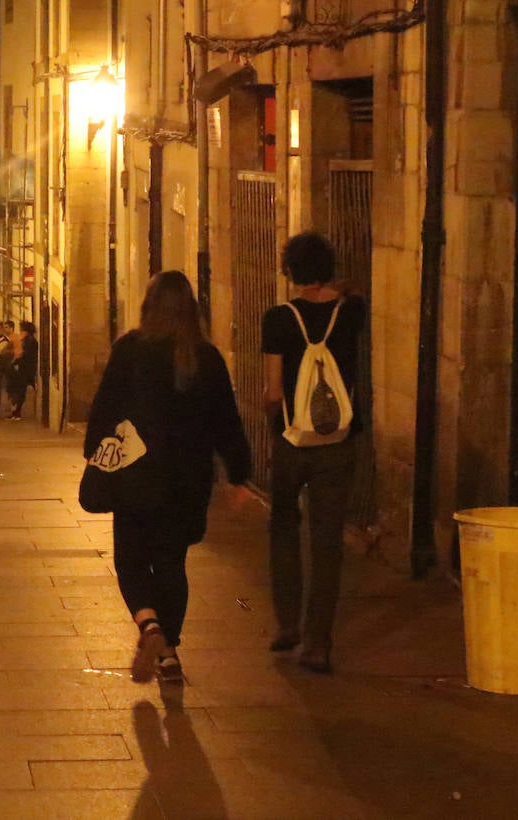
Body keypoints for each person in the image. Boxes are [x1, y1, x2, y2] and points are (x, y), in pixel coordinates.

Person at [85, 271, 251, 685]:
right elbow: (226, 422)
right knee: (171, 563)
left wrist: (94, 451)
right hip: (187, 482)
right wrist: (238, 475)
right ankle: (169, 655)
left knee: (130, 560)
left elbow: (104, 409)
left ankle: (150, 626)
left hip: (135, 477)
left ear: (149, 305)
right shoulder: (206, 358)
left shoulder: (129, 350)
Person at [262, 232, 366, 674]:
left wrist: (276, 421)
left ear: (290, 271)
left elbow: (273, 391)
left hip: (292, 441)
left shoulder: (278, 319)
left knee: (284, 527)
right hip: (338, 443)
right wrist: (336, 288)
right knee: (327, 541)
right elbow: (352, 291)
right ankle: (318, 643)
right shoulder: (352, 312)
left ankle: (288, 624)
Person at [7, 321, 38, 420]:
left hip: (25, 369)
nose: (20, 333)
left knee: (20, 390)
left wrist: (16, 362)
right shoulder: (27, 341)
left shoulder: (30, 342)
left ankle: (17, 412)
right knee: (20, 390)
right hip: (24, 368)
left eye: (22, 330)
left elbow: (25, 356)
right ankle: (16, 411)